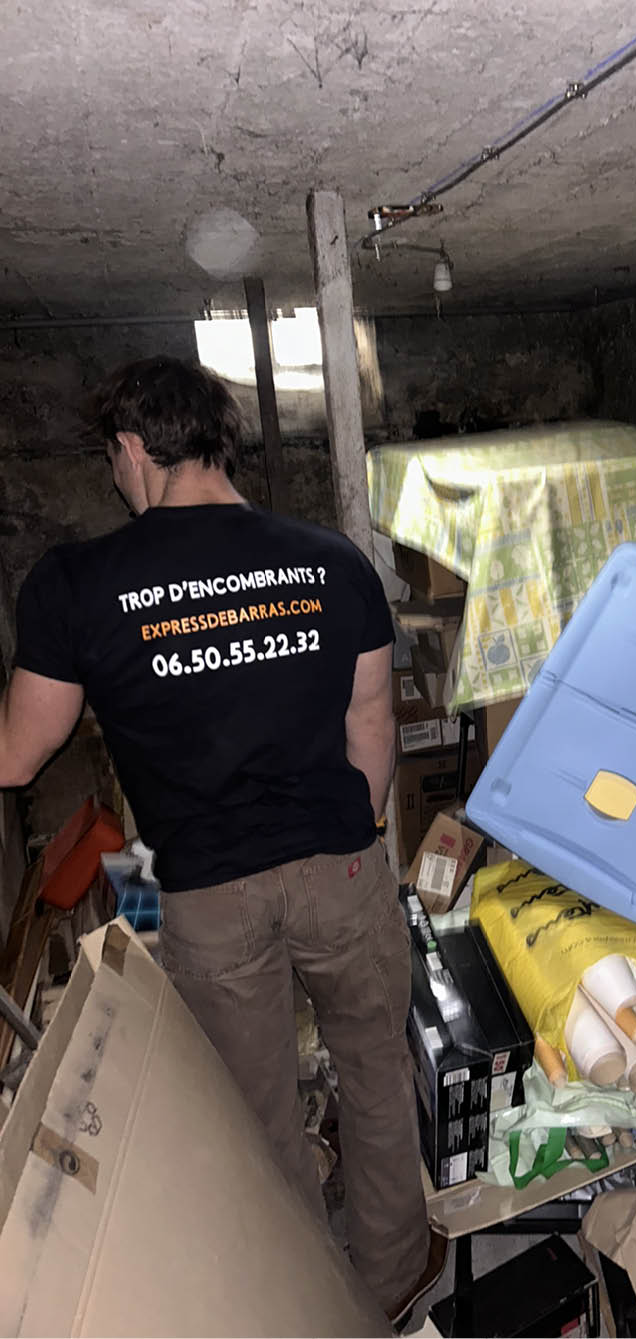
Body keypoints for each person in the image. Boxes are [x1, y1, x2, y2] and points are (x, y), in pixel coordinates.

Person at [0, 356, 444, 1325]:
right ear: (219, 442)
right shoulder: (332, 561)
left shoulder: (76, 586)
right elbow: (373, 726)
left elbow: (18, 754)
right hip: (340, 864)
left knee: (257, 1114)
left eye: (113, 461)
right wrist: (355, 838)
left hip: (207, 894)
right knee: (375, 1072)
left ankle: (311, 1303)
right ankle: (396, 1278)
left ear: (132, 448)